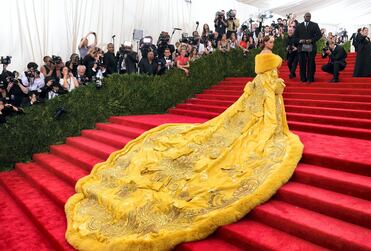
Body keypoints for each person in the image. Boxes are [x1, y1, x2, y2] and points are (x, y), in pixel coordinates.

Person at [65, 35, 304, 250]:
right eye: (271, 44)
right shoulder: (265, 79)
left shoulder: (261, 80)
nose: (272, 46)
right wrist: (273, 124)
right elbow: (266, 111)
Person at [293, 12, 321, 83]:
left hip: (311, 46)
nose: (308, 17)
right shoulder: (299, 26)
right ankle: (303, 78)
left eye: (309, 16)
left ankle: (310, 78)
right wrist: (300, 41)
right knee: (302, 63)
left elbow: (319, 35)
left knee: (311, 62)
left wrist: (311, 40)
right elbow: (295, 37)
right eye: (307, 16)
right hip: (301, 47)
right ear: (304, 17)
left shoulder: (315, 25)